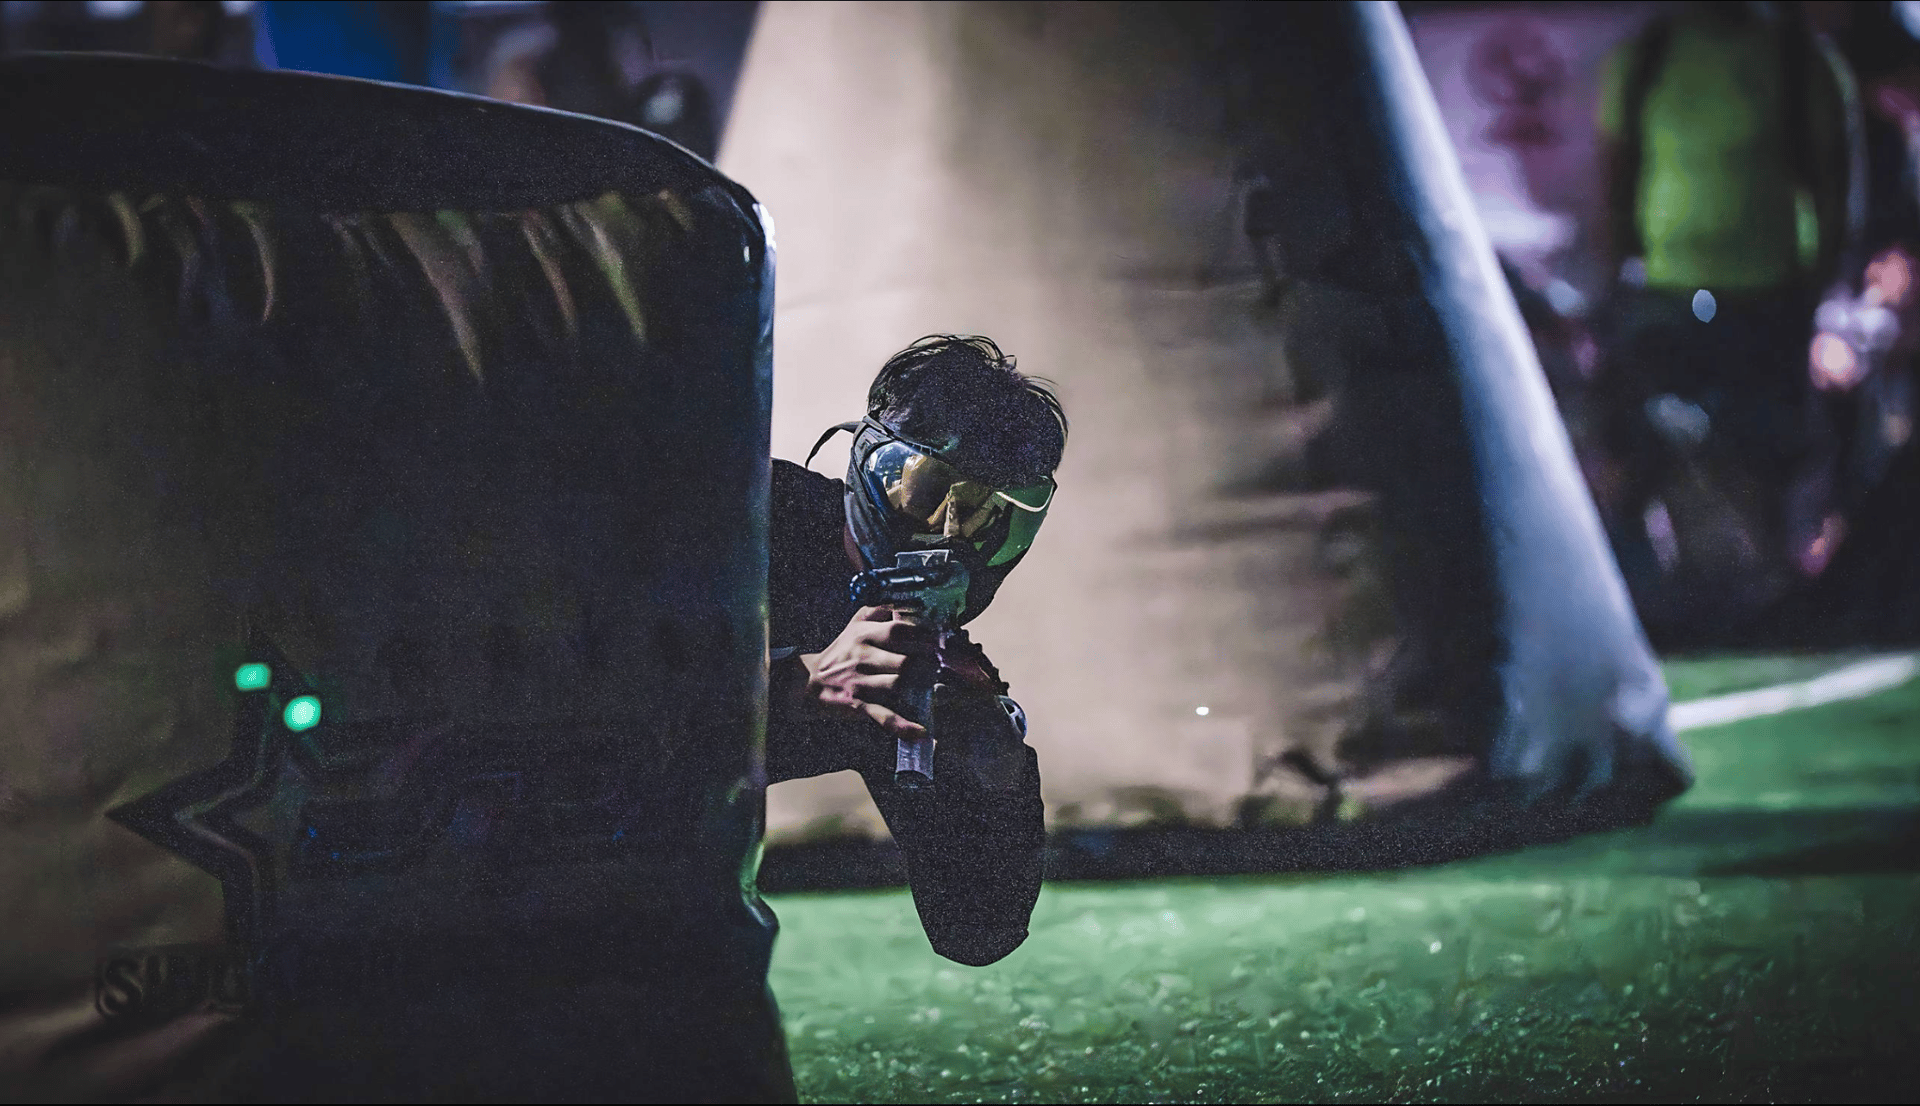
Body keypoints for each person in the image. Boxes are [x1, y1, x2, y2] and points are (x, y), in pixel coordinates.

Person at [765, 335, 1063, 967]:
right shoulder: (741, 523)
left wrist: (995, 772)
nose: (951, 536)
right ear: (872, 467)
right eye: (927, 491)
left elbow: (977, 932)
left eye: (987, 515)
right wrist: (795, 693)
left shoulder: (903, 660)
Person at [1594, 1, 1861, 640]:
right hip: (1663, 296)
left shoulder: (1802, 63)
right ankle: (1634, 601)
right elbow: (1616, 169)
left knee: (1770, 453)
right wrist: (1617, 280)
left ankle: (1779, 601)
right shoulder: (1647, 56)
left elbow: (1834, 181)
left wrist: (1822, 284)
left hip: (1767, 297)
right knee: (1631, 448)